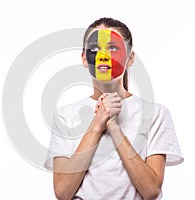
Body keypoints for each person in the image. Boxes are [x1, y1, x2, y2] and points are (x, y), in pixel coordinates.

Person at [44, 17, 183, 200]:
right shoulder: (65, 115)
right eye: (95, 49)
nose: (103, 55)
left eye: (113, 48)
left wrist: (114, 128)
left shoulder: (155, 114)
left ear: (130, 57)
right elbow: (62, 192)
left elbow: (151, 191)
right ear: (85, 58)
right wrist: (96, 125)